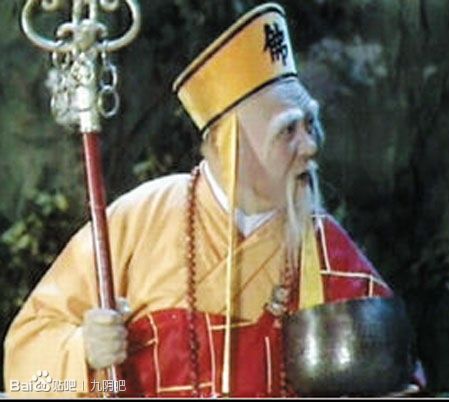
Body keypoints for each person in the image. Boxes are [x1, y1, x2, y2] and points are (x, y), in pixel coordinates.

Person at [3, 3, 421, 398]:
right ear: (231, 146)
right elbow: (24, 378)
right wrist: (83, 355)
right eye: (288, 131)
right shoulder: (139, 219)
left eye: (311, 125)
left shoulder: (327, 249)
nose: (311, 146)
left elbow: (401, 379)